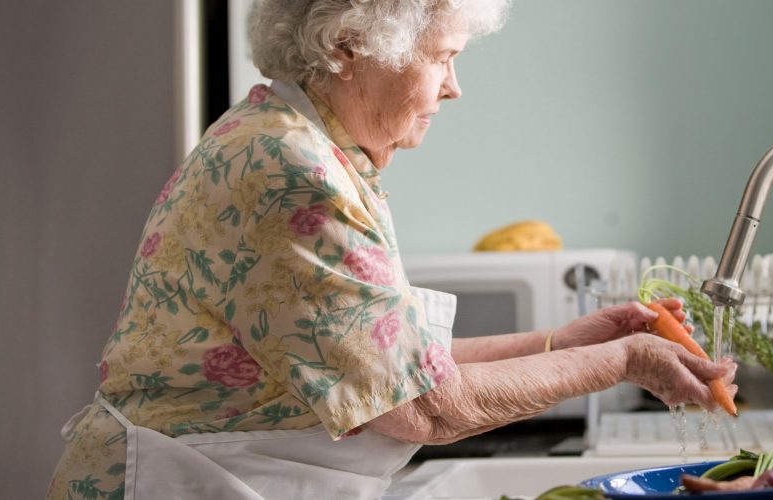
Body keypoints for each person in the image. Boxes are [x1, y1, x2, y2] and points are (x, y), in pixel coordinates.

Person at [47, 1, 738, 498]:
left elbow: (387, 369)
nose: (454, 86)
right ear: (349, 45)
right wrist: (622, 358)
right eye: (443, 57)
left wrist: (563, 341)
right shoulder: (293, 171)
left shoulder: (297, 144)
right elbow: (426, 407)